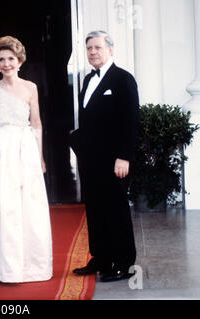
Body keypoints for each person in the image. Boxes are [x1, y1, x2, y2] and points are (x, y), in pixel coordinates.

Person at [0, 36, 52, 283]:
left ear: (20, 61)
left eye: (11, 59)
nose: (6, 64)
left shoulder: (30, 88)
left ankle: (29, 267)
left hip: (24, 149)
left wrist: (39, 156)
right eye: (2, 59)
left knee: (27, 207)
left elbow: (36, 123)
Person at [70, 31, 140, 282]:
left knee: (116, 209)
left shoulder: (123, 79)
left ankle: (123, 263)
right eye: (89, 48)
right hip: (91, 160)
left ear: (111, 49)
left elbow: (131, 121)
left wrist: (124, 156)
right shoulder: (88, 79)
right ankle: (101, 258)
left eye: (98, 47)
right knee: (96, 209)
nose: (93, 52)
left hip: (114, 160)